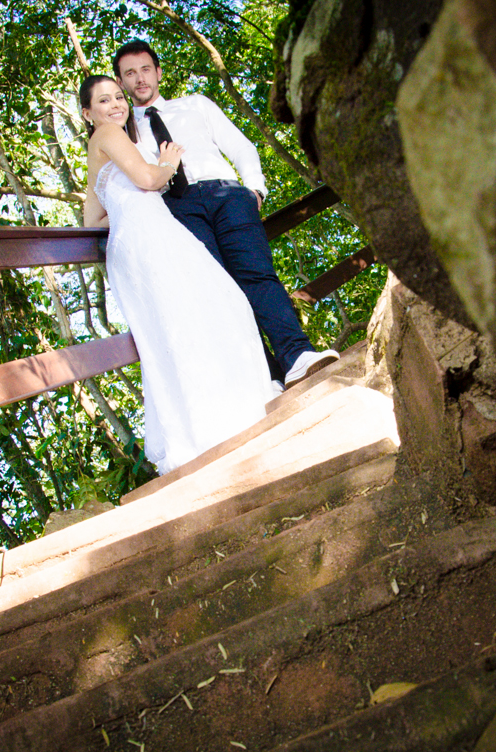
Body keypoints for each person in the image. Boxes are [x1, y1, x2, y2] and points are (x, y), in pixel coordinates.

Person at [80, 74, 278, 475]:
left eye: (119, 97)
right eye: (104, 100)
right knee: (221, 304)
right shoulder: (109, 134)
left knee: (173, 329)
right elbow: (150, 179)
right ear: (88, 113)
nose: (117, 104)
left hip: (132, 241)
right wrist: (168, 162)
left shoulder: (99, 148)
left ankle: (200, 425)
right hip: (152, 239)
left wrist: (128, 207)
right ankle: (224, 415)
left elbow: (92, 216)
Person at [112, 40, 338, 389]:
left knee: (258, 275)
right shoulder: (125, 134)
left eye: (145, 69)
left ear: (158, 72)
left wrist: (254, 189)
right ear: (121, 81)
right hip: (176, 208)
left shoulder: (195, 105)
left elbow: (241, 146)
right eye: (130, 73)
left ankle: (297, 356)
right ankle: (267, 378)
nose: (140, 79)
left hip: (227, 195)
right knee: (220, 294)